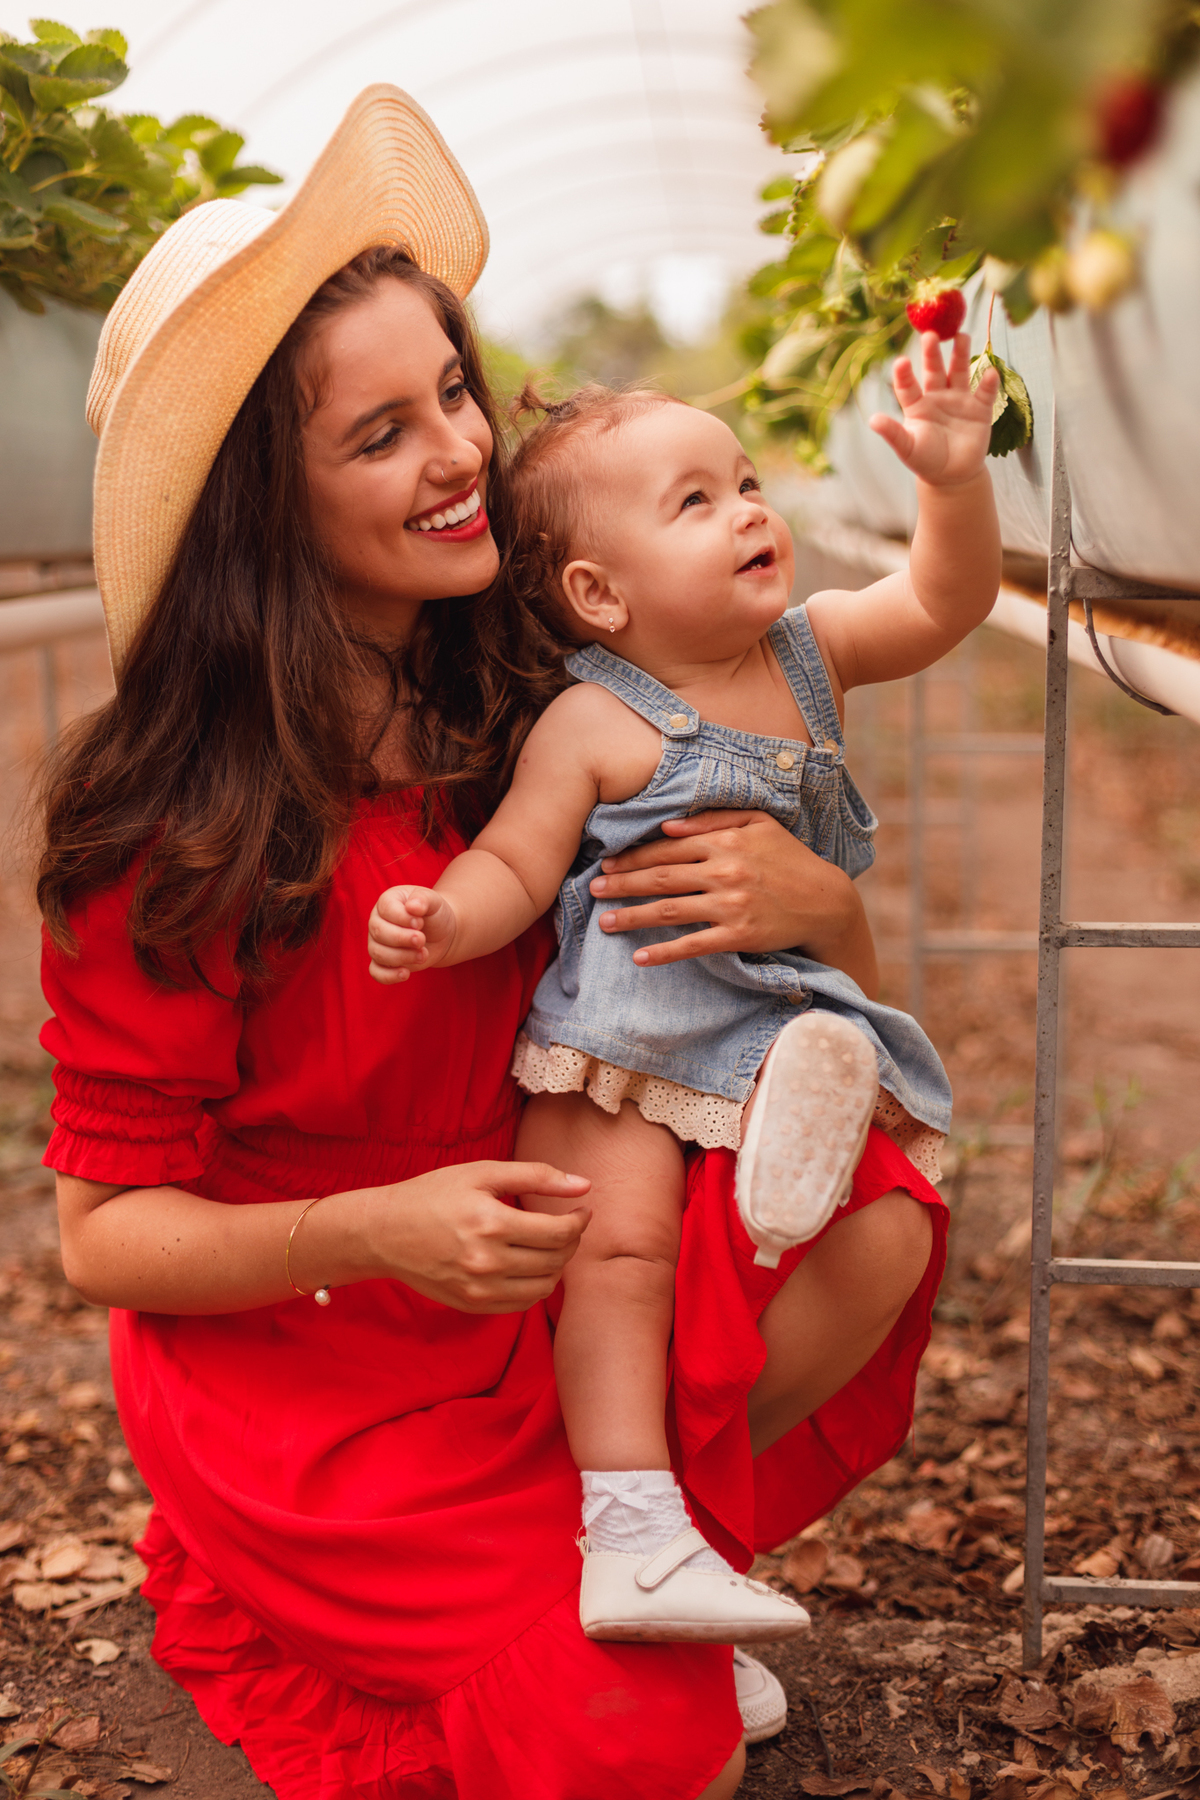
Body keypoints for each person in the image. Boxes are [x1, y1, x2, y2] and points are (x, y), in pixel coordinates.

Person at [37, 86, 946, 1800]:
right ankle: (375, 1567)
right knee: (650, 1747)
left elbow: (753, 989)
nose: (460, 451)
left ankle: (629, 1524)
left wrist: (833, 912)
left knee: (883, 1222)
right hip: (315, 1341)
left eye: (450, 388)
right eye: (378, 435)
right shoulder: (175, 825)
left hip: (543, 1266)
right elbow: (106, 1241)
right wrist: (383, 1225)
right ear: (258, 499)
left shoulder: (552, 702)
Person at [366, 358, 997, 1643]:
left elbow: (945, 599)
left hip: (774, 1017)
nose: (750, 513)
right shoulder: (595, 724)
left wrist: (956, 478)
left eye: (749, 484)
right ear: (600, 595)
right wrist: (447, 921)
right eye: (696, 502)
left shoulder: (809, 651)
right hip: (626, 1037)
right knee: (621, 1255)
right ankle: (636, 1532)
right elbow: (517, 861)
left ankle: (789, 1156)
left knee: (823, 1205)